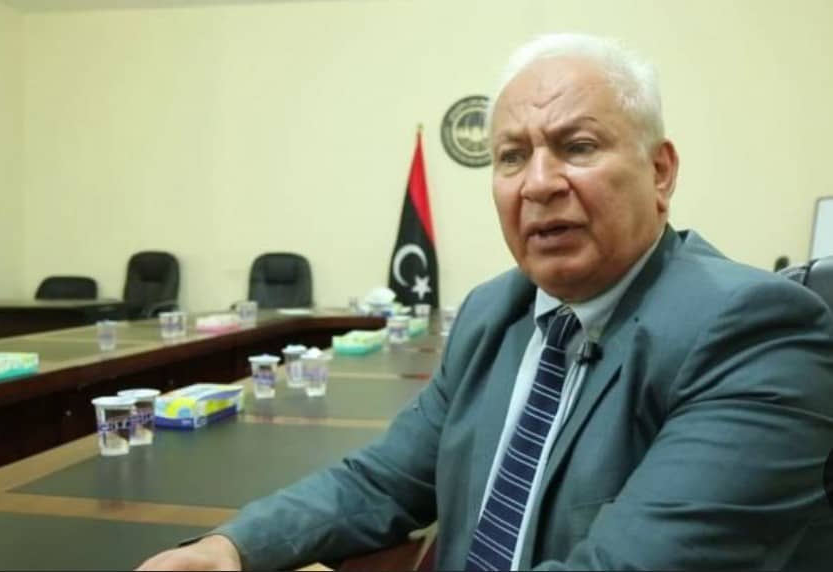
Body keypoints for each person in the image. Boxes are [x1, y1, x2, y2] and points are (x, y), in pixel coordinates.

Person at [138, 33, 833, 571]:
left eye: (577, 146)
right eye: (511, 156)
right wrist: (233, 547)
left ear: (660, 171)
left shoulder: (757, 331)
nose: (538, 183)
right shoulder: (493, 311)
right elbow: (385, 481)